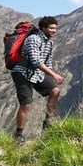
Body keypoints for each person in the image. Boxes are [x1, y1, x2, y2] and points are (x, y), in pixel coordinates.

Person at [11, 16, 64, 145]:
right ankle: (19, 134)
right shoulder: (33, 39)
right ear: (43, 28)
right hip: (22, 72)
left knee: (55, 90)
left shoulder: (49, 42)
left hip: (37, 73)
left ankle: (48, 123)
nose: (54, 31)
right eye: (51, 28)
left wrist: (51, 76)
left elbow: (48, 61)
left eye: (55, 28)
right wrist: (54, 75)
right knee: (26, 104)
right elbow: (36, 61)